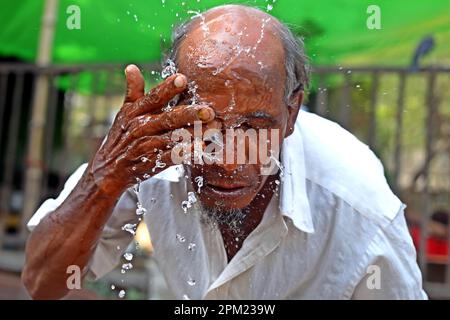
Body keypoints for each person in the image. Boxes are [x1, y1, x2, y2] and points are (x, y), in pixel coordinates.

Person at [22, 4, 426, 299]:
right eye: (205, 123)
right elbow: (43, 282)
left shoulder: (360, 208)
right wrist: (104, 178)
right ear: (174, 106)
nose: (229, 160)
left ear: (292, 111)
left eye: (255, 126)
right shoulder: (148, 155)